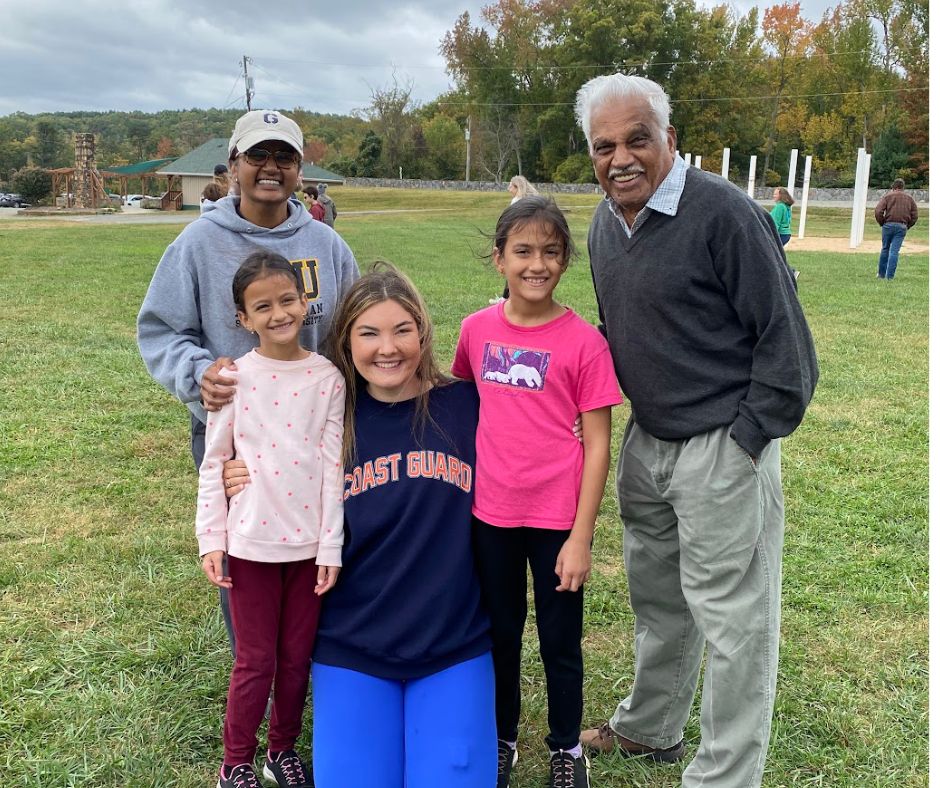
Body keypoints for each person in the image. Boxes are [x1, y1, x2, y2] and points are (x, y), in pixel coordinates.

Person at [573, 74, 818, 788]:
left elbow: (787, 347)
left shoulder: (725, 214)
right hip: (647, 445)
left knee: (736, 626)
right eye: (604, 145)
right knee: (659, 603)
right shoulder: (602, 225)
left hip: (721, 447)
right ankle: (652, 727)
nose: (620, 158)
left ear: (669, 140)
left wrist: (746, 441)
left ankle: (725, 776)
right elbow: (624, 328)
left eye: (637, 139)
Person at [224, 263, 497, 788]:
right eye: (368, 333)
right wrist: (236, 473)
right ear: (345, 342)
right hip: (351, 644)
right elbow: (263, 445)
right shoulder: (325, 414)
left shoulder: (466, 404)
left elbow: (536, 428)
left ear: (423, 331)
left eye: (402, 330)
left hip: (453, 644)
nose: (387, 348)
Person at [137, 108, 359, 652]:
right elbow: (161, 330)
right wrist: (197, 373)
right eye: (257, 154)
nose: (270, 166)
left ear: (299, 170)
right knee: (248, 554)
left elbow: (355, 329)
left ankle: (317, 660)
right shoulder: (197, 244)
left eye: (284, 156)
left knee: (321, 545)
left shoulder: (326, 245)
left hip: (317, 436)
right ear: (234, 164)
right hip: (240, 442)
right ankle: (255, 661)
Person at [452, 197, 623, 788]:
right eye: (522, 251)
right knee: (498, 634)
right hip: (490, 516)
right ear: (499, 258)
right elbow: (462, 404)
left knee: (559, 643)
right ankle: (500, 738)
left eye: (551, 252)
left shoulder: (583, 343)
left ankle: (565, 748)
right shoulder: (475, 332)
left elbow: (598, 444)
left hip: (556, 521)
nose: (537, 264)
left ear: (565, 260)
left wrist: (581, 537)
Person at [198, 251, 344, 788]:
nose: (279, 313)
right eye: (263, 306)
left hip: (308, 550)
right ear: (243, 318)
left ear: (306, 302)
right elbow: (215, 463)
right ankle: (235, 762)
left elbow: (333, 466)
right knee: (255, 661)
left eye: (288, 300)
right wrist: (212, 538)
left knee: (296, 658)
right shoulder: (233, 378)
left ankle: (280, 750)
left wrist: (330, 547)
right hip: (251, 546)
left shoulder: (328, 377)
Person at [874, 178, 918, 279]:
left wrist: (882, 222)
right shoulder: (909, 198)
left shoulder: (887, 196)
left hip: (888, 225)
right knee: (894, 251)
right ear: (903, 187)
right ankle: (889, 277)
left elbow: (878, 211)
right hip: (902, 226)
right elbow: (915, 215)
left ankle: (881, 274)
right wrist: (907, 225)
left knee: (885, 249)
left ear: (893, 187)